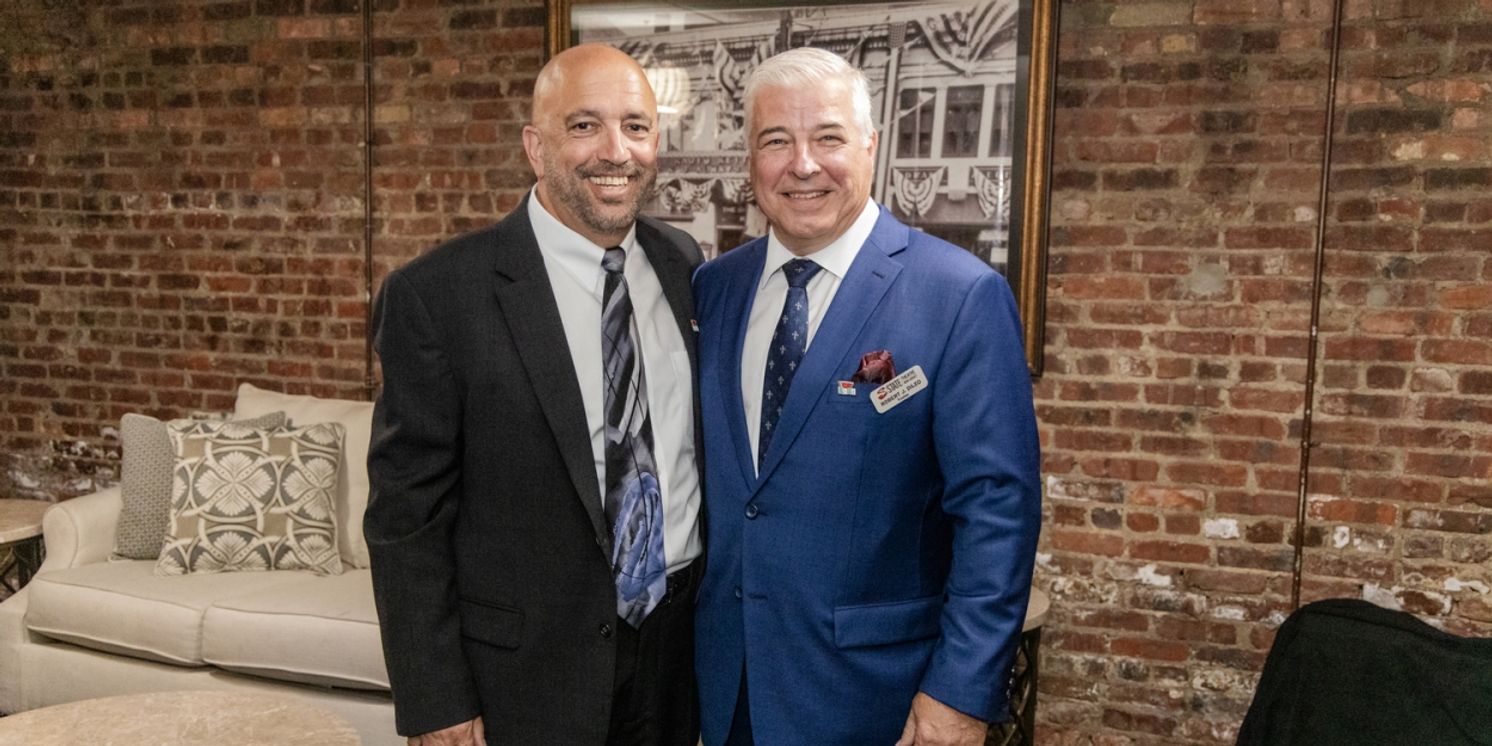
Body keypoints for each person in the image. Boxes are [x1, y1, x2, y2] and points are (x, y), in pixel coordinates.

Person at [691, 47, 1042, 746]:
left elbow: (997, 513)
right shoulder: (714, 289)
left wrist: (960, 692)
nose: (803, 164)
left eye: (828, 137)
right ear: (749, 160)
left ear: (871, 146)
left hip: (881, 701)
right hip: (727, 691)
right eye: (775, 141)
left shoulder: (959, 295)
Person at [365, 43, 704, 746]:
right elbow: (407, 519)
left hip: (676, 666)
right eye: (585, 126)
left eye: (636, 127)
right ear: (535, 145)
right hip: (524, 680)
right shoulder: (438, 297)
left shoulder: (682, 264)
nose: (617, 151)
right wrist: (436, 700)